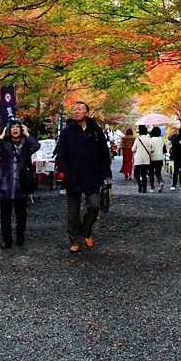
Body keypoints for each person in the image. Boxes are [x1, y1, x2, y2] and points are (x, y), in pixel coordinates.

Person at [55, 101, 112, 252]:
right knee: (73, 212)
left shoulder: (95, 131)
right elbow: (60, 154)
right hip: (73, 176)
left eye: (80, 109)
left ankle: (86, 230)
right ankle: (75, 240)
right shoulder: (67, 132)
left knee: (94, 205)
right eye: (74, 109)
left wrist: (107, 175)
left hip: (92, 175)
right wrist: (66, 170)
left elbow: (104, 154)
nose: (76, 111)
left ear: (87, 113)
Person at [0, 117, 40, 249]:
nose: (15, 129)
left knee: (21, 213)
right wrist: (1, 135)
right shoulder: (4, 143)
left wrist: (28, 134)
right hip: (6, 183)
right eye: (12, 127)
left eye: (18, 127)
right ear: (8, 129)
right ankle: (7, 240)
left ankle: (20, 234)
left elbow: (37, 146)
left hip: (21, 183)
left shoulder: (26, 143)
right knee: (5, 214)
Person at [132, 124, 153, 193]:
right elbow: (153, 149)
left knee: (136, 174)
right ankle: (144, 189)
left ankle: (140, 184)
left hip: (138, 159)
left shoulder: (138, 139)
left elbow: (133, 149)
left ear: (140, 132)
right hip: (146, 159)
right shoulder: (149, 139)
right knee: (144, 174)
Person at [148, 126, 166, 192]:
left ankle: (152, 188)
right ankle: (161, 182)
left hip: (152, 158)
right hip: (160, 158)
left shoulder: (151, 140)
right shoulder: (161, 139)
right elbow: (164, 150)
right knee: (158, 173)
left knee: (151, 173)